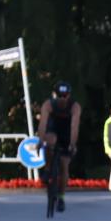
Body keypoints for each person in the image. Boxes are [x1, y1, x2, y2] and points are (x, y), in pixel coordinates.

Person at [37, 81, 82, 212]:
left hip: (67, 132)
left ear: (69, 95)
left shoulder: (75, 107)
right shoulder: (48, 104)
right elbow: (43, 124)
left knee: (64, 165)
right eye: (59, 96)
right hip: (53, 129)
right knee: (49, 141)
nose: (62, 99)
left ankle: (61, 197)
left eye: (65, 96)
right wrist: (40, 140)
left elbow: (74, 126)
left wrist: (72, 145)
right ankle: (47, 168)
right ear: (54, 95)